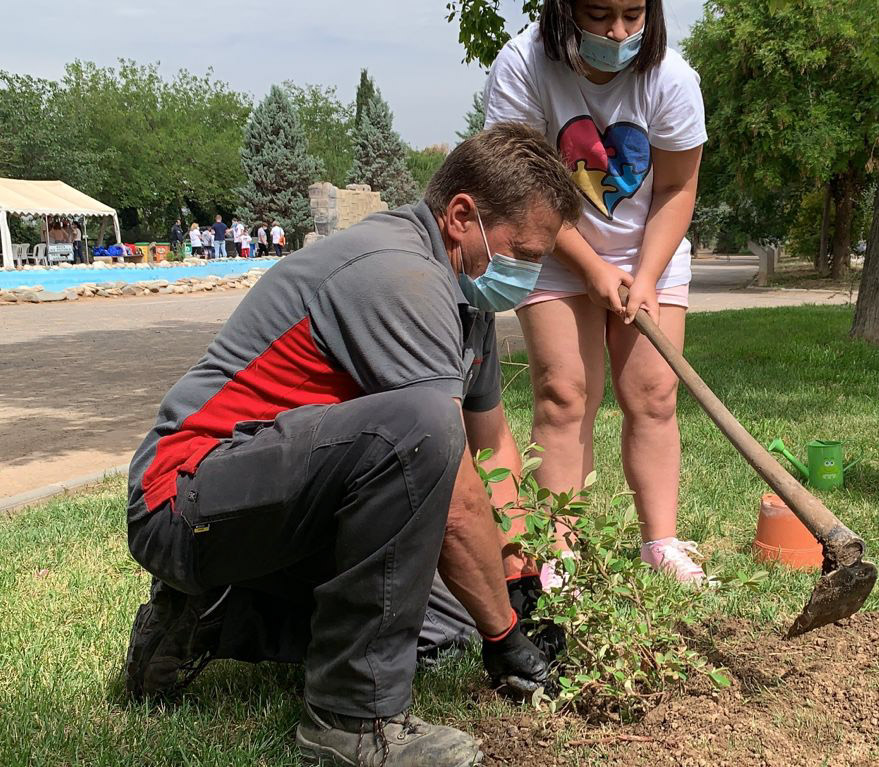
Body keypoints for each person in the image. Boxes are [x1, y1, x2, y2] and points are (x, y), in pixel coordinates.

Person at [121, 124, 581, 767]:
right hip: (184, 496)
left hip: (270, 508)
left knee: (446, 618)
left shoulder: (466, 306)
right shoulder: (400, 275)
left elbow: (494, 441)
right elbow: (448, 486)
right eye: (523, 251)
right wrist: (504, 635)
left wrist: (515, 570)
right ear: (462, 216)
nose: (528, 274)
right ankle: (351, 724)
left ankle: (214, 615)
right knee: (421, 428)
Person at [483, 0, 710, 586]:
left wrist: (650, 276)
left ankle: (659, 542)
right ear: (564, 8)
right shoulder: (522, 65)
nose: (618, 32)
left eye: (633, 14)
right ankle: (561, 549)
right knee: (563, 395)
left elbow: (677, 188)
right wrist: (589, 266)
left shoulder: (673, 80)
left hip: (649, 251)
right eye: (599, 14)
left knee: (654, 395)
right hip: (555, 244)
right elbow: (522, 186)